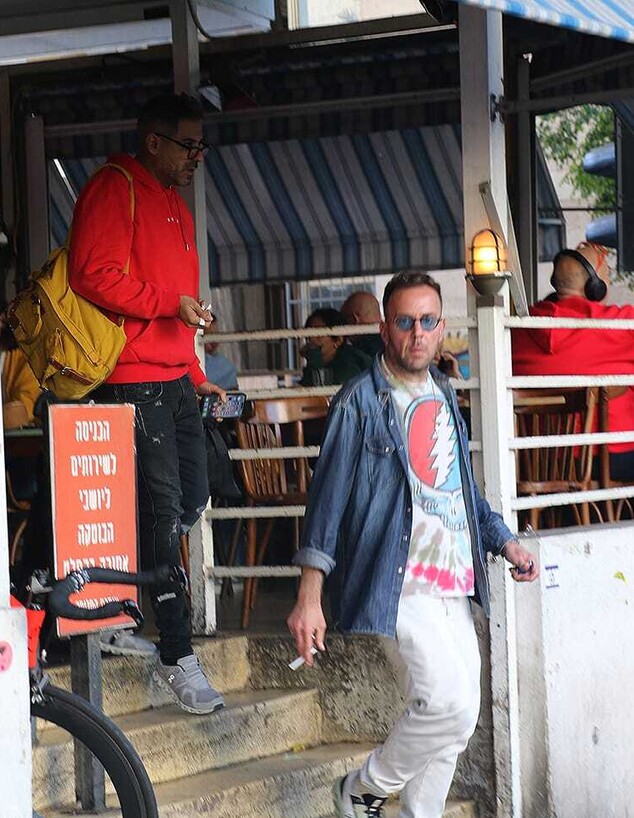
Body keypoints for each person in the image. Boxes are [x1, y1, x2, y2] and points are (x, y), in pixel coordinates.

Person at [287, 270, 538, 818]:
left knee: (459, 719)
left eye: (427, 321)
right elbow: (326, 502)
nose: (417, 333)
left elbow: (460, 490)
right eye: (405, 322)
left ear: (442, 327)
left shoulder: (444, 392)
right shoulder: (358, 402)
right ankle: (364, 788)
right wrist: (309, 597)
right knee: (445, 705)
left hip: (454, 577)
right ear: (384, 329)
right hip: (398, 580)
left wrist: (504, 542)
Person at [68, 93, 226, 715]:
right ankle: (176, 653)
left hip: (175, 379)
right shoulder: (115, 186)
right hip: (130, 378)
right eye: (188, 145)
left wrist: (196, 372)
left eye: (200, 147)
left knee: (189, 499)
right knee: (163, 511)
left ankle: (119, 605)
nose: (196, 157)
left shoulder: (176, 204)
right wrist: (167, 305)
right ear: (153, 141)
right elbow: (91, 273)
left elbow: (179, 306)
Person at [512, 242, 634, 482]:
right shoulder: (622, 325)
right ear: (595, 286)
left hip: (540, 463)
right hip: (611, 457)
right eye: (606, 272)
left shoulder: (519, 329)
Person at [299, 308, 372, 387]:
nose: (311, 339)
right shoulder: (320, 361)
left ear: (338, 340)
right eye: (309, 333)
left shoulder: (349, 365)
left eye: (319, 334)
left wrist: (313, 355)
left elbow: (322, 388)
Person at [340, 291, 385, 358]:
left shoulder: (358, 351)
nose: (342, 327)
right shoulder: (392, 338)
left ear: (354, 319)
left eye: (344, 320)